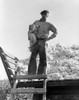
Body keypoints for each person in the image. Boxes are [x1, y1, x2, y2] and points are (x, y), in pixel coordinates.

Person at [28, 10, 58, 75]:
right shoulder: (36, 22)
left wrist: (48, 39)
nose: (45, 16)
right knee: (33, 57)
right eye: (44, 15)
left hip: (43, 41)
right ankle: (31, 74)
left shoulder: (48, 24)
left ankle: (40, 75)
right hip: (36, 41)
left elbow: (55, 32)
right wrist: (32, 40)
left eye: (47, 15)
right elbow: (31, 30)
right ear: (42, 15)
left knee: (43, 58)